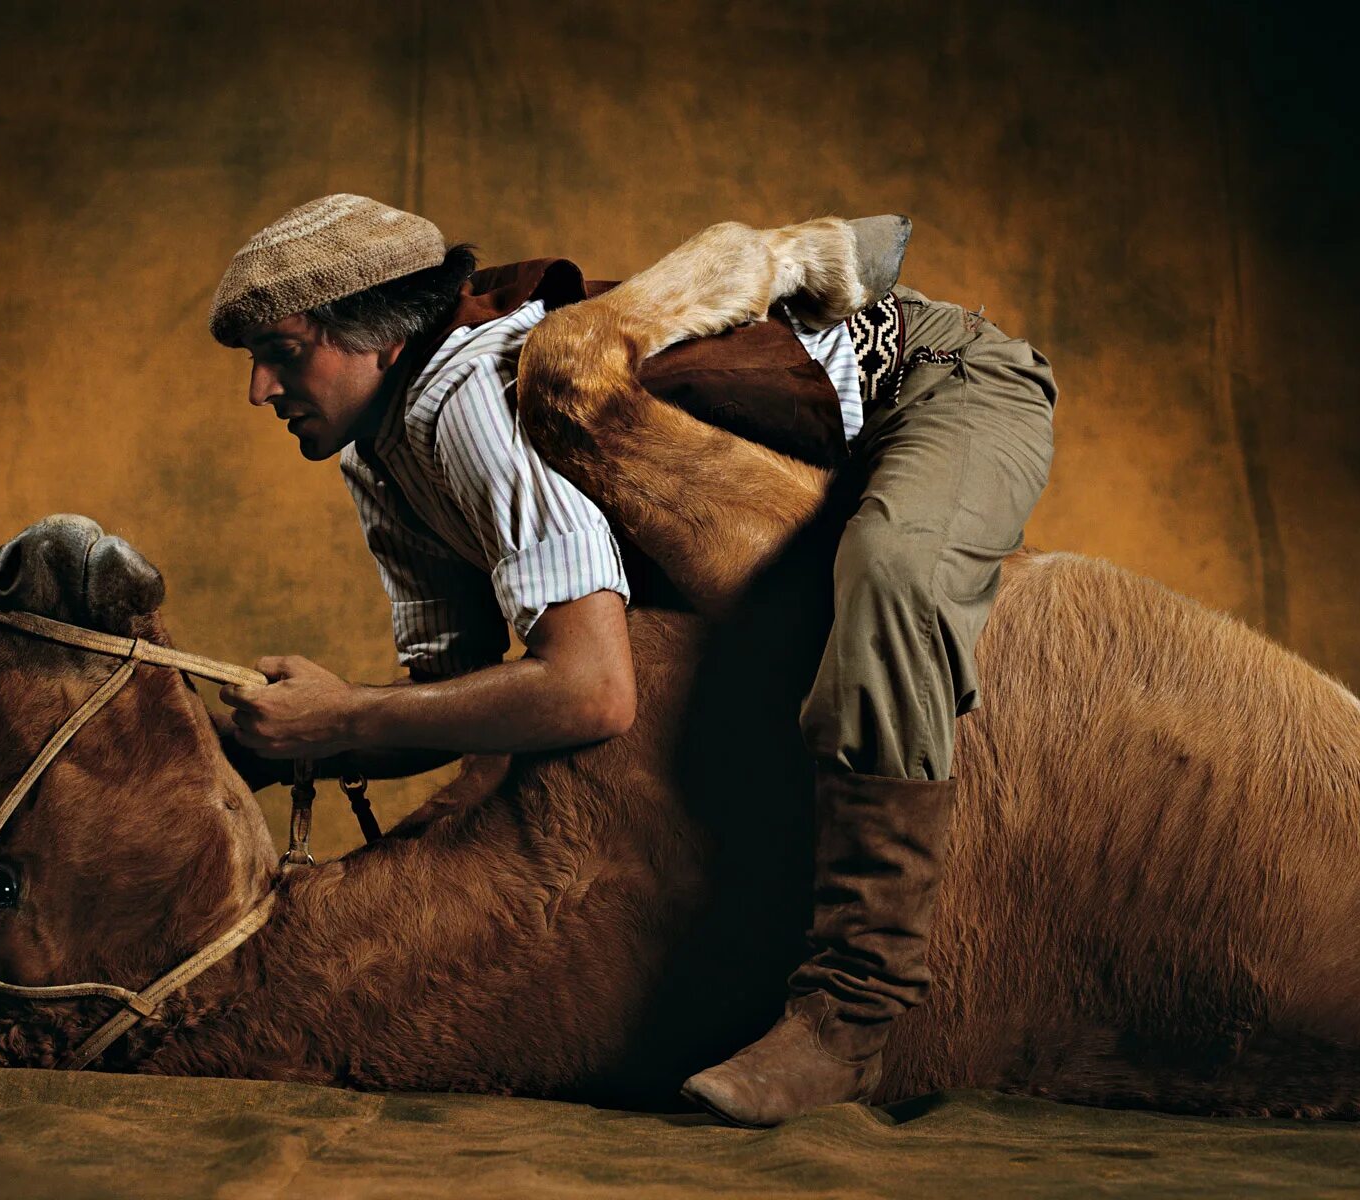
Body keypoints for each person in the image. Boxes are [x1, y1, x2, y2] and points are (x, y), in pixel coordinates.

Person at [208, 194, 1056, 1126]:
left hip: (932, 379)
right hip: (828, 436)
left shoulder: (465, 403)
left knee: (895, 570)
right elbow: (453, 701)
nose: (259, 390)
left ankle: (852, 1014)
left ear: (379, 337)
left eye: (282, 352)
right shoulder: (378, 457)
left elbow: (589, 691)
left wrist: (340, 717)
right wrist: (264, 746)